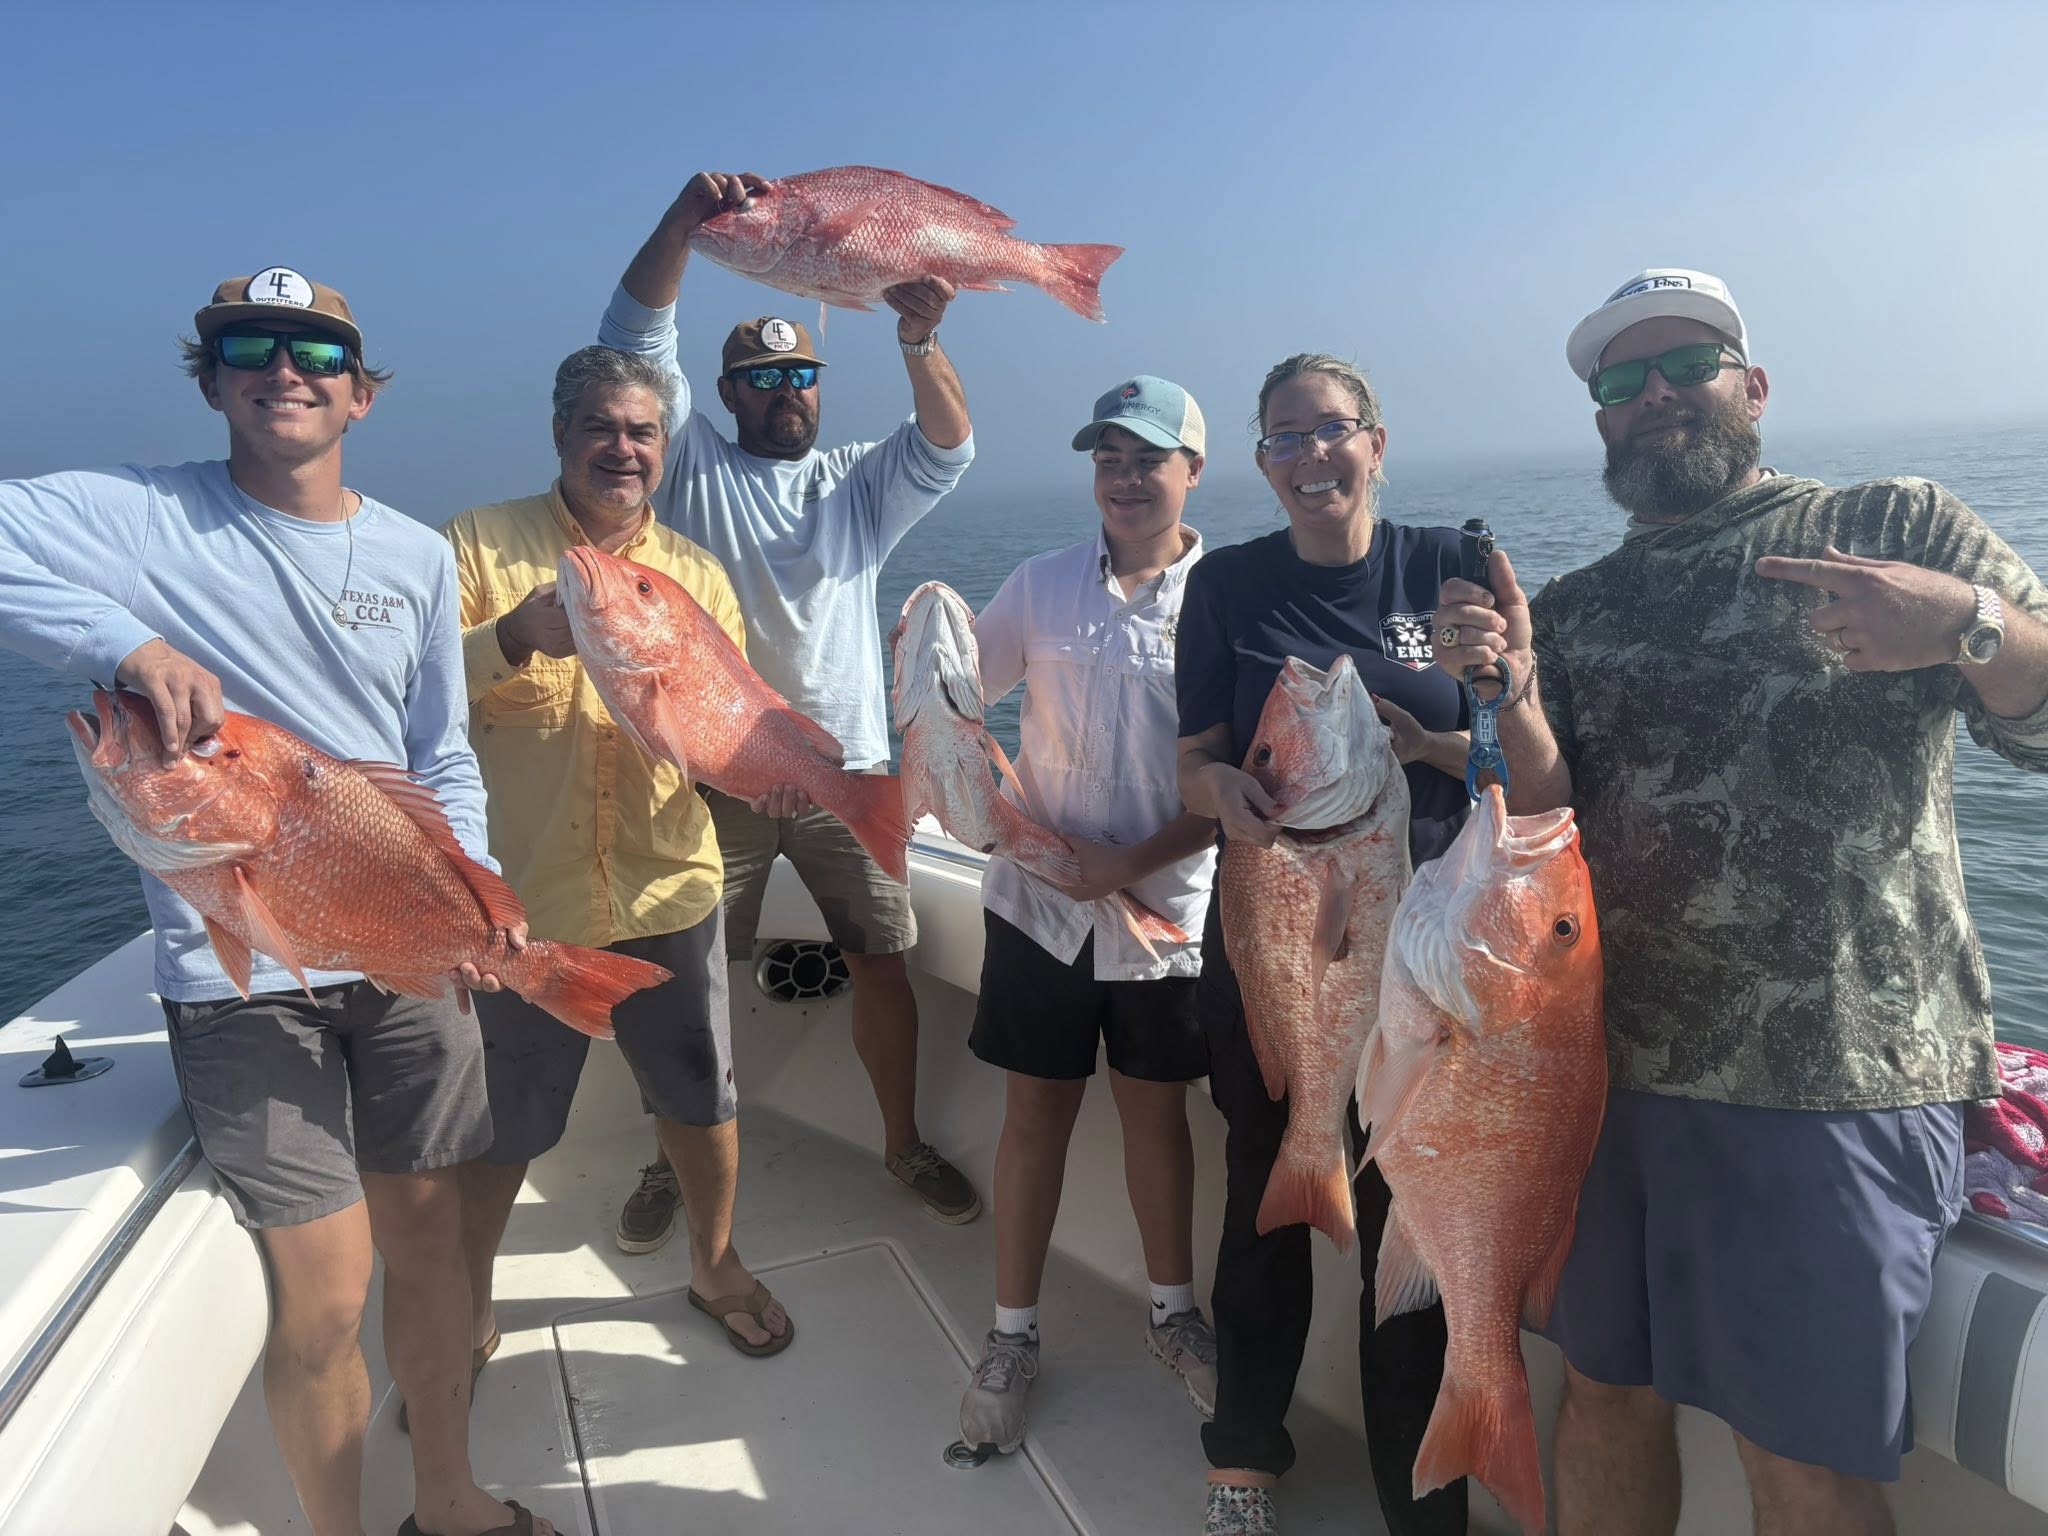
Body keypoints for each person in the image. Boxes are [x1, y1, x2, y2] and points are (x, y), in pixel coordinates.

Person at [1431, 267, 2048, 1536]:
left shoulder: (1891, 521)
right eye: (1621, 379)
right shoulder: (1576, 609)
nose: (1654, 393)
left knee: (1800, 1455)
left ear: (1751, 386)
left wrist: (1965, 623)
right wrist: (1515, 698)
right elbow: (1548, 818)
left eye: (1687, 364)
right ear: (1599, 418)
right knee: (1600, 1394)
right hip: (1598, 1075)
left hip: (1834, 1079)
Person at [0, 269, 552, 1536]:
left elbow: (439, 753)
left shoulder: (414, 555)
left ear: (362, 394)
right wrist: (127, 647)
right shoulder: (141, 517)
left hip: (405, 949)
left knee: (432, 1254)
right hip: (240, 978)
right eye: (249, 347)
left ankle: (451, 1503)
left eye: (317, 352)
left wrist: (478, 897)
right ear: (211, 382)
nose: (284, 369)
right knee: (324, 1294)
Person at [598, 170, 980, 1239]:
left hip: (846, 770)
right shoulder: (687, 471)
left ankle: (902, 1144)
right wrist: (680, 224)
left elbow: (949, 445)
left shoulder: (857, 483)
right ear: (724, 396)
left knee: (882, 961)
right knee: (682, 979)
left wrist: (917, 341)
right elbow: (631, 342)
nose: (785, 393)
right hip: (713, 773)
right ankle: (668, 1161)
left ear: (819, 384)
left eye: (799, 375)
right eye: (762, 379)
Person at [442, 344, 794, 1382]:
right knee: (502, 1126)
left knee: (700, 1098)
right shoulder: (475, 544)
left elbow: (725, 724)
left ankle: (715, 1267)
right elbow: (408, 697)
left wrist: (767, 776)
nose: (621, 448)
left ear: (665, 446)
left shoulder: (696, 575)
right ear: (561, 433)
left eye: (642, 431)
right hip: (524, 905)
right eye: (600, 426)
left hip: (667, 883)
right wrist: (509, 638)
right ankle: (467, 1304)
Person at [1175, 354, 1474, 1536]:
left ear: (1375, 443)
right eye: (1283, 438)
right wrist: (1218, 789)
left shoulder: (1448, 563)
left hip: (1428, 967)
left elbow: (1523, 742)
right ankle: (1241, 1458)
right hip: (1276, 938)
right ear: (1260, 462)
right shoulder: (1227, 585)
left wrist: (1433, 748)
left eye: (1330, 430)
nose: (1309, 457)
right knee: (1264, 1195)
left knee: (1411, 1234)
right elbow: (1192, 762)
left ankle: (1421, 1509)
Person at [955, 377, 1225, 1455]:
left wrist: (1127, 865)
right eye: (1107, 459)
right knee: (1033, 1116)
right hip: (1039, 910)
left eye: (1146, 458)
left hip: (1165, 917)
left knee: (1156, 1117)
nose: (1123, 478)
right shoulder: (1037, 584)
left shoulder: (1224, 603)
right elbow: (955, 704)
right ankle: (1010, 1335)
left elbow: (1243, 780)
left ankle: (1173, 1315)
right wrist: (994, 815)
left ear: (1192, 470)